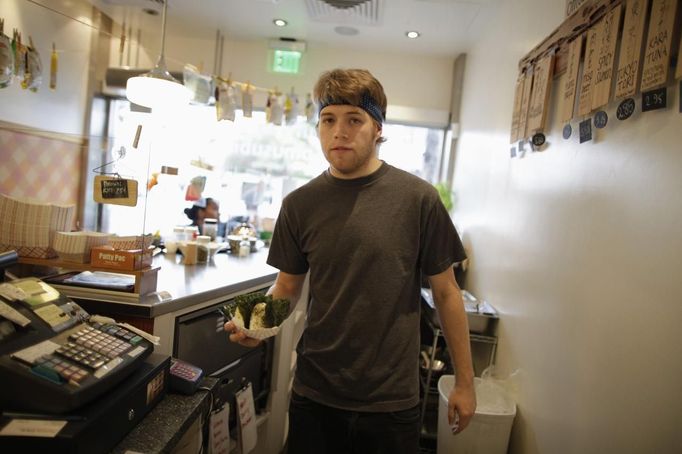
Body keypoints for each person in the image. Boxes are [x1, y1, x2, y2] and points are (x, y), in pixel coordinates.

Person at [224, 68, 476, 453]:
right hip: (316, 393)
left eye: (354, 119)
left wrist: (465, 382)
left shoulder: (418, 200)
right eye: (328, 120)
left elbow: (446, 293)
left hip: (391, 400)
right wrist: (258, 326)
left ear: (377, 128)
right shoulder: (299, 205)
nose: (339, 131)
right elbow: (288, 288)